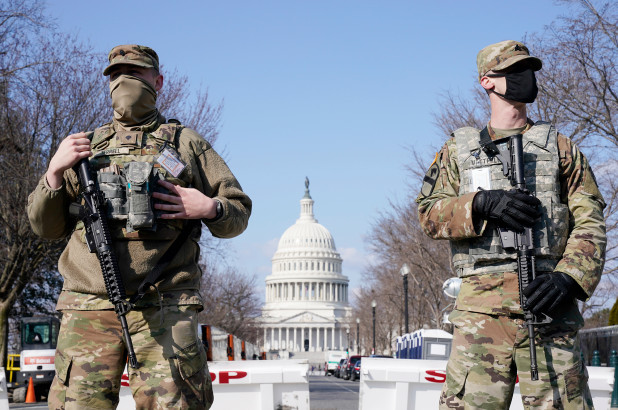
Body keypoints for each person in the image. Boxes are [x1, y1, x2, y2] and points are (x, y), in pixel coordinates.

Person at [27, 45, 252, 409]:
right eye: (117, 75)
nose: (125, 81)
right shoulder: (84, 148)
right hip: (89, 308)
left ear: (158, 81)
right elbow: (45, 228)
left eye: (136, 72)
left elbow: (238, 213)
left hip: (164, 306)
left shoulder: (186, 144)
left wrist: (210, 207)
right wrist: (53, 173)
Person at [416, 40, 606, 409]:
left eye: (529, 70)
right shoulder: (458, 151)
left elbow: (590, 219)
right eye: (515, 71)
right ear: (488, 81)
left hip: (549, 302)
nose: (526, 78)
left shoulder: (562, 149)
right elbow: (428, 213)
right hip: (481, 316)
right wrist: (481, 203)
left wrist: (569, 277)